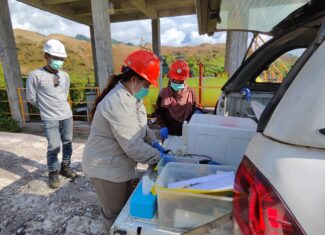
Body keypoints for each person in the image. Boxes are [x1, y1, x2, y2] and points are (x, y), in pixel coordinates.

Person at [82, 50, 172, 233]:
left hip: (119, 165)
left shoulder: (131, 97)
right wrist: (159, 157)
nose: (147, 89)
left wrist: (154, 143)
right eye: (146, 84)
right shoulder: (118, 101)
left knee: (124, 208)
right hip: (106, 169)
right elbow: (133, 146)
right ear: (134, 80)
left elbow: (141, 128)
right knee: (113, 214)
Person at [26, 39, 76, 189]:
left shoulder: (65, 76)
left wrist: (60, 106)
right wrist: (46, 108)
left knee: (68, 143)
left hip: (66, 115)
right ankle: (53, 172)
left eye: (61, 59)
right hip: (50, 118)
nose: (59, 61)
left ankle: (65, 167)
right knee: (53, 146)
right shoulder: (35, 75)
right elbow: (31, 97)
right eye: (56, 58)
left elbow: (64, 93)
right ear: (46, 56)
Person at [156, 60, 202, 140]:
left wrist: (198, 110)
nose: (177, 83)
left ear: (185, 80)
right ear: (170, 78)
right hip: (169, 133)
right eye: (174, 81)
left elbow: (196, 107)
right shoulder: (163, 93)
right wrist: (163, 126)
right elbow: (159, 112)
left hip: (187, 133)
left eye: (180, 82)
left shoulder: (191, 93)